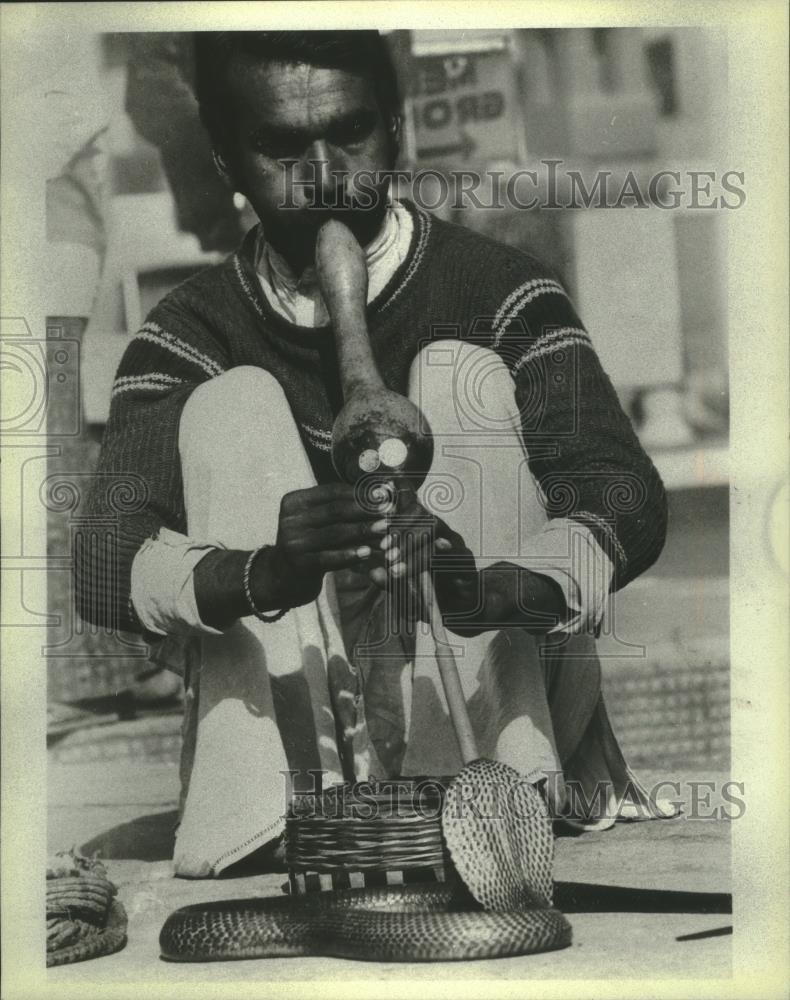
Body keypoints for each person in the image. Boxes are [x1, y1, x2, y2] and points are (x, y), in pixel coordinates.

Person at [76, 31, 673, 879]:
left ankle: (492, 805)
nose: (324, 176)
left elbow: (627, 497)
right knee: (233, 407)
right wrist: (262, 573)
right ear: (225, 164)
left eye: (351, 136)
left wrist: (488, 585)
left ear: (396, 131)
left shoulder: (495, 287)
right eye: (282, 147)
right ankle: (282, 814)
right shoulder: (188, 332)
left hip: (497, 690)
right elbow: (100, 561)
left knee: (456, 376)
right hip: (310, 739)